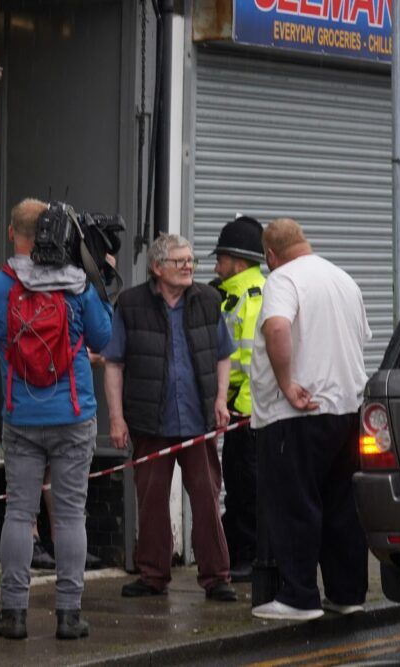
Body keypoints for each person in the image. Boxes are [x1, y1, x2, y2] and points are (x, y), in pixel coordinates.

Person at [0, 198, 111, 640]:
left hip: (22, 414)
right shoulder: (78, 287)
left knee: (19, 512)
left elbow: (1, 335)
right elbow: (104, 337)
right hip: (73, 414)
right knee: (71, 516)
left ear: (14, 234)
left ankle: (13, 614)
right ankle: (69, 615)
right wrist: (94, 272)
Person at [104, 233, 237, 603]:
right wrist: (117, 419)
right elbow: (114, 364)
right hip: (151, 421)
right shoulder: (130, 304)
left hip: (198, 422)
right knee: (151, 501)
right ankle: (152, 575)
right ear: (157, 267)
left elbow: (223, 354)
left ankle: (216, 577)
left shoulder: (208, 300)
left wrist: (221, 400)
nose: (188, 266)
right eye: (179, 261)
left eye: (190, 260)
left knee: (208, 499)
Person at [250, 218, 370, 621]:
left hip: (295, 413)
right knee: (341, 505)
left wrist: (286, 383)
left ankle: (299, 597)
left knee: (293, 503)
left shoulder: (282, 280)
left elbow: (278, 328)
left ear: (270, 255)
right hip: (346, 409)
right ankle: (347, 592)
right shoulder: (343, 280)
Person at [209, 215, 266, 582]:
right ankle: (237, 551)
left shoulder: (254, 296)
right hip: (237, 410)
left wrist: (242, 409)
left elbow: (256, 362)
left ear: (240, 262)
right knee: (238, 485)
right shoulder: (231, 294)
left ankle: (250, 557)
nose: (216, 265)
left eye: (222, 258)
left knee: (248, 489)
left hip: (250, 413)